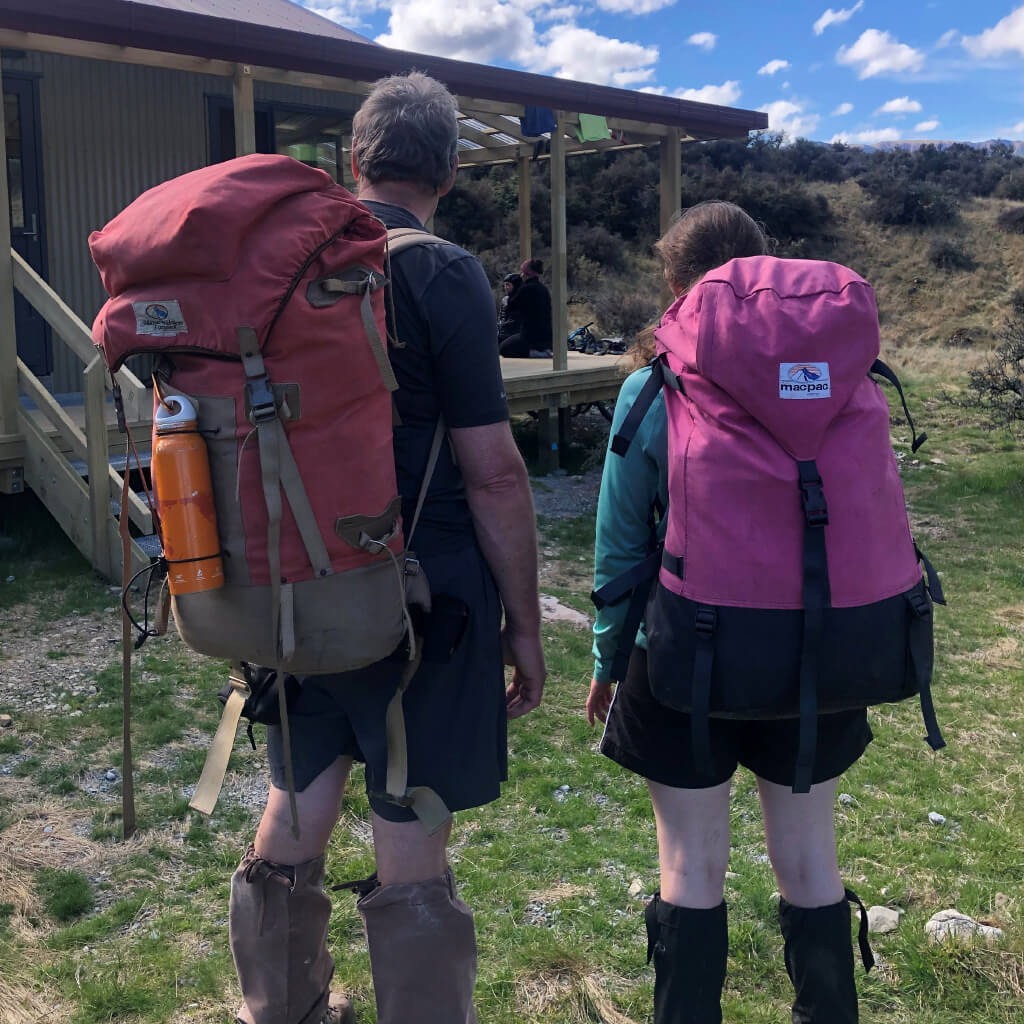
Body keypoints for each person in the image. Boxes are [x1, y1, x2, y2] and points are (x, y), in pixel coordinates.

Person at [228, 72, 546, 1024]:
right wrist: (524, 627)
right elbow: (492, 472)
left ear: (353, 161)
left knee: (295, 805)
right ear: (447, 172)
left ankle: (279, 1012)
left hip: (290, 585)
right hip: (423, 601)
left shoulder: (275, 267)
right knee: (408, 822)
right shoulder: (441, 273)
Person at [587, 201, 874, 1024]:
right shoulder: (836, 379)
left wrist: (609, 663)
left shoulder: (653, 386)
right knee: (811, 863)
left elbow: (616, 551)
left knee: (690, 868)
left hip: (681, 653)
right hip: (813, 648)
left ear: (674, 289)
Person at [499, 258, 553, 358]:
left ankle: (535, 353)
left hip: (531, 337)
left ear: (527, 274)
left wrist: (514, 290)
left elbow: (511, 306)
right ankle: (543, 350)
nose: (521, 275)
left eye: (522, 272)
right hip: (547, 337)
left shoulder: (527, 289)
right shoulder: (543, 289)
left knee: (503, 348)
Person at [497, 272, 523, 346]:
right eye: (505, 285)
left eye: (508, 285)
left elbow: (516, 321)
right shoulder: (505, 300)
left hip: (516, 333)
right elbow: (501, 318)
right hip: (503, 332)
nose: (505, 287)